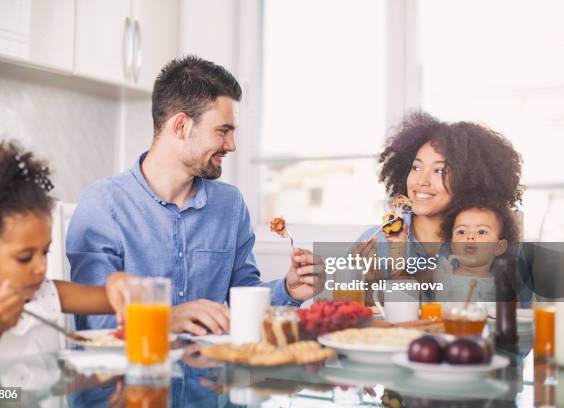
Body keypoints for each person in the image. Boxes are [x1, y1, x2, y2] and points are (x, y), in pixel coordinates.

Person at [66, 55, 324, 335]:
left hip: (212, 377)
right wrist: (165, 320)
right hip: (135, 376)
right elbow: (94, 325)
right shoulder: (104, 206)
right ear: (181, 126)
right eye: (223, 131)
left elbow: (243, 300)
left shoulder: (230, 205)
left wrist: (288, 290)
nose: (232, 145)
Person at [0, 142, 125, 387]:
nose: (41, 267)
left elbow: (120, 300)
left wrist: (120, 282)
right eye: (25, 258)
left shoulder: (48, 293)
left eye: (45, 252)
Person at [354, 112, 524, 283]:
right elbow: (350, 304)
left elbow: (518, 307)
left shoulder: (489, 242)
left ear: (469, 180)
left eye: (440, 171)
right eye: (416, 167)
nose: (421, 181)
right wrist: (368, 287)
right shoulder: (376, 241)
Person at [434, 198, 519, 302]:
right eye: (461, 232)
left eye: (481, 232)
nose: (470, 236)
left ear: (499, 247)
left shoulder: (503, 284)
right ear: (452, 245)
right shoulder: (443, 278)